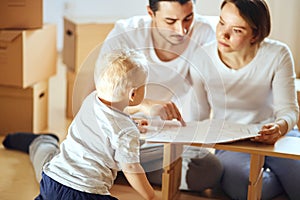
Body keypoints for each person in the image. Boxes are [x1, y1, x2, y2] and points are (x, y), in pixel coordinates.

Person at [93, 0, 223, 192]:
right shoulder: (126, 35)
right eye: (170, 21)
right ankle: (44, 143)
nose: (182, 30)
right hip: (120, 133)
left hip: (164, 140)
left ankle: (124, 170)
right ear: (150, 13)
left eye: (188, 18)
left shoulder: (206, 32)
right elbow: (103, 100)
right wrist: (144, 105)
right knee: (73, 168)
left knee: (209, 168)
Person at [4, 49, 160, 200]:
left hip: (52, 181)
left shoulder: (92, 99)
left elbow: (107, 121)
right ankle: (42, 141)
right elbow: (131, 168)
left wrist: (129, 122)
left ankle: (36, 142)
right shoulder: (126, 131)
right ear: (133, 94)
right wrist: (151, 196)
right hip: (86, 192)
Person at [188, 0, 300, 199]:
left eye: (237, 30)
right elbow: (199, 117)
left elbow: (289, 110)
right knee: (245, 190)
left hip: (279, 136)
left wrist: (280, 127)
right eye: (221, 23)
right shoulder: (201, 58)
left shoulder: (278, 54)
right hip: (232, 141)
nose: (223, 34)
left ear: (255, 35)